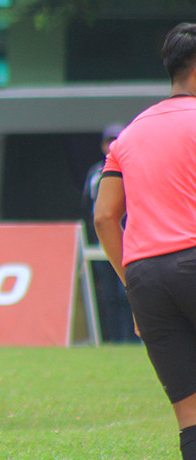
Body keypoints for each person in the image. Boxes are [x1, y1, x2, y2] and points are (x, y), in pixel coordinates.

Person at [94, 22, 196, 460]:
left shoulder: (130, 134)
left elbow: (104, 217)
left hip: (147, 278)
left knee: (190, 414)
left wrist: (133, 288)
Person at [81, 123, 137, 343]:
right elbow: (89, 206)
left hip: (128, 238)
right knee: (108, 294)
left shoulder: (133, 166)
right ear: (103, 145)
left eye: (117, 139)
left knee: (128, 290)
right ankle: (114, 339)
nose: (112, 145)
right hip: (101, 239)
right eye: (109, 141)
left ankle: (132, 339)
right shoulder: (95, 172)